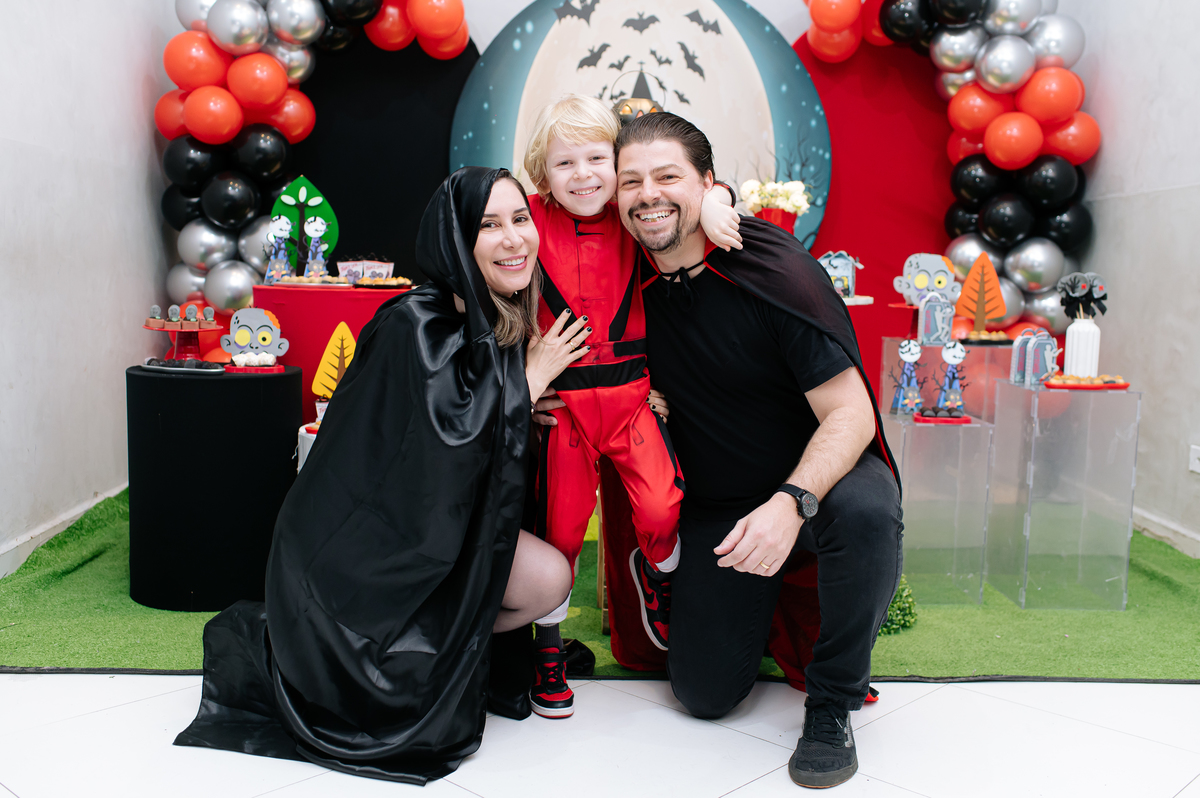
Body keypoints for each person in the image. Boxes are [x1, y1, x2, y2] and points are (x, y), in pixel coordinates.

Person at [175, 167, 593, 785]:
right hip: (361, 557)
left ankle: (442, 650)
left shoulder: (498, 317)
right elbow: (425, 465)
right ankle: (383, 653)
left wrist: (518, 400)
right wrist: (524, 387)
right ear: (455, 238)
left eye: (520, 219)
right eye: (489, 225)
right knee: (440, 639)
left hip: (437, 535)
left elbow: (471, 444)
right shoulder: (414, 323)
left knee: (549, 580)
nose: (514, 239)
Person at [612, 112, 904, 790]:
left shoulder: (772, 269)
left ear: (708, 184)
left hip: (816, 483)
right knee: (705, 696)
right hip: (719, 502)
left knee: (867, 511)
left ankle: (831, 704)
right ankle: (758, 607)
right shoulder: (622, 281)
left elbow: (851, 414)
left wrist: (792, 502)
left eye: (667, 177)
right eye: (631, 181)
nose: (648, 195)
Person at [517, 95, 741, 718]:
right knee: (560, 534)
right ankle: (548, 647)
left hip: (632, 398)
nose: (584, 175)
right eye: (565, 163)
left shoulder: (632, 215)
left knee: (664, 507)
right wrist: (521, 380)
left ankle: (658, 577)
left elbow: (685, 199)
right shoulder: (528, 219)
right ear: (542, 172)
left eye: (597, 160)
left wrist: (718, 199)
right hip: (565, 409)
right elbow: (479, 244)